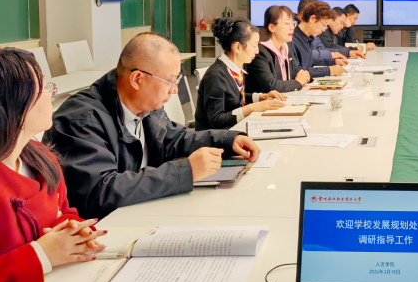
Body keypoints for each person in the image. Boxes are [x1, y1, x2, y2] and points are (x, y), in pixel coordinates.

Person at [45, 33, 262, 220]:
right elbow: (101, 192)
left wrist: (227, 140)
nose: (175, 90)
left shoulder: (145, 104)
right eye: (170, 81)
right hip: (108, 229)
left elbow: (173, 138)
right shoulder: (81, 119)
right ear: (137, 79)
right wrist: (185, 171)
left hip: (143, 213)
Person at [0, 48, 107, 282]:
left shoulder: (41, 156)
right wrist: (41, 255)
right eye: (44, 89)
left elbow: (61, 212)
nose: (51, 95)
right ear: (16, 105)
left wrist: (75, 232)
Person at [194, 17, 286, 131]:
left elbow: (233, 98)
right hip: (214, 138)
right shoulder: (215, 76)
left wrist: (260, 97)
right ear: (238, 47)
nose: (257, 51)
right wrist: (251, 108)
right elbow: (216, 121)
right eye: (254, 46)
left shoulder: (233, 69)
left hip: (232, 131)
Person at [245, 5, 311, 94]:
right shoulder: (260, 51)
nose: (292, 27)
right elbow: (270, 86)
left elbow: (295, 72)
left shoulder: (286, 47)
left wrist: (305, 76)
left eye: (293, 23)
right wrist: (298, 83)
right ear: (272, 27)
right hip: (265, 101)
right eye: (287, 23)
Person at [293, 1, 347, 78]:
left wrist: (333, 62)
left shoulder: (308, 38)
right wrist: (328, 71)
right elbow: (297, 71)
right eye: (324, 25)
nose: (323, 30)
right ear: (312, 19)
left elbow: (310, 61)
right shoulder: (292, 40)